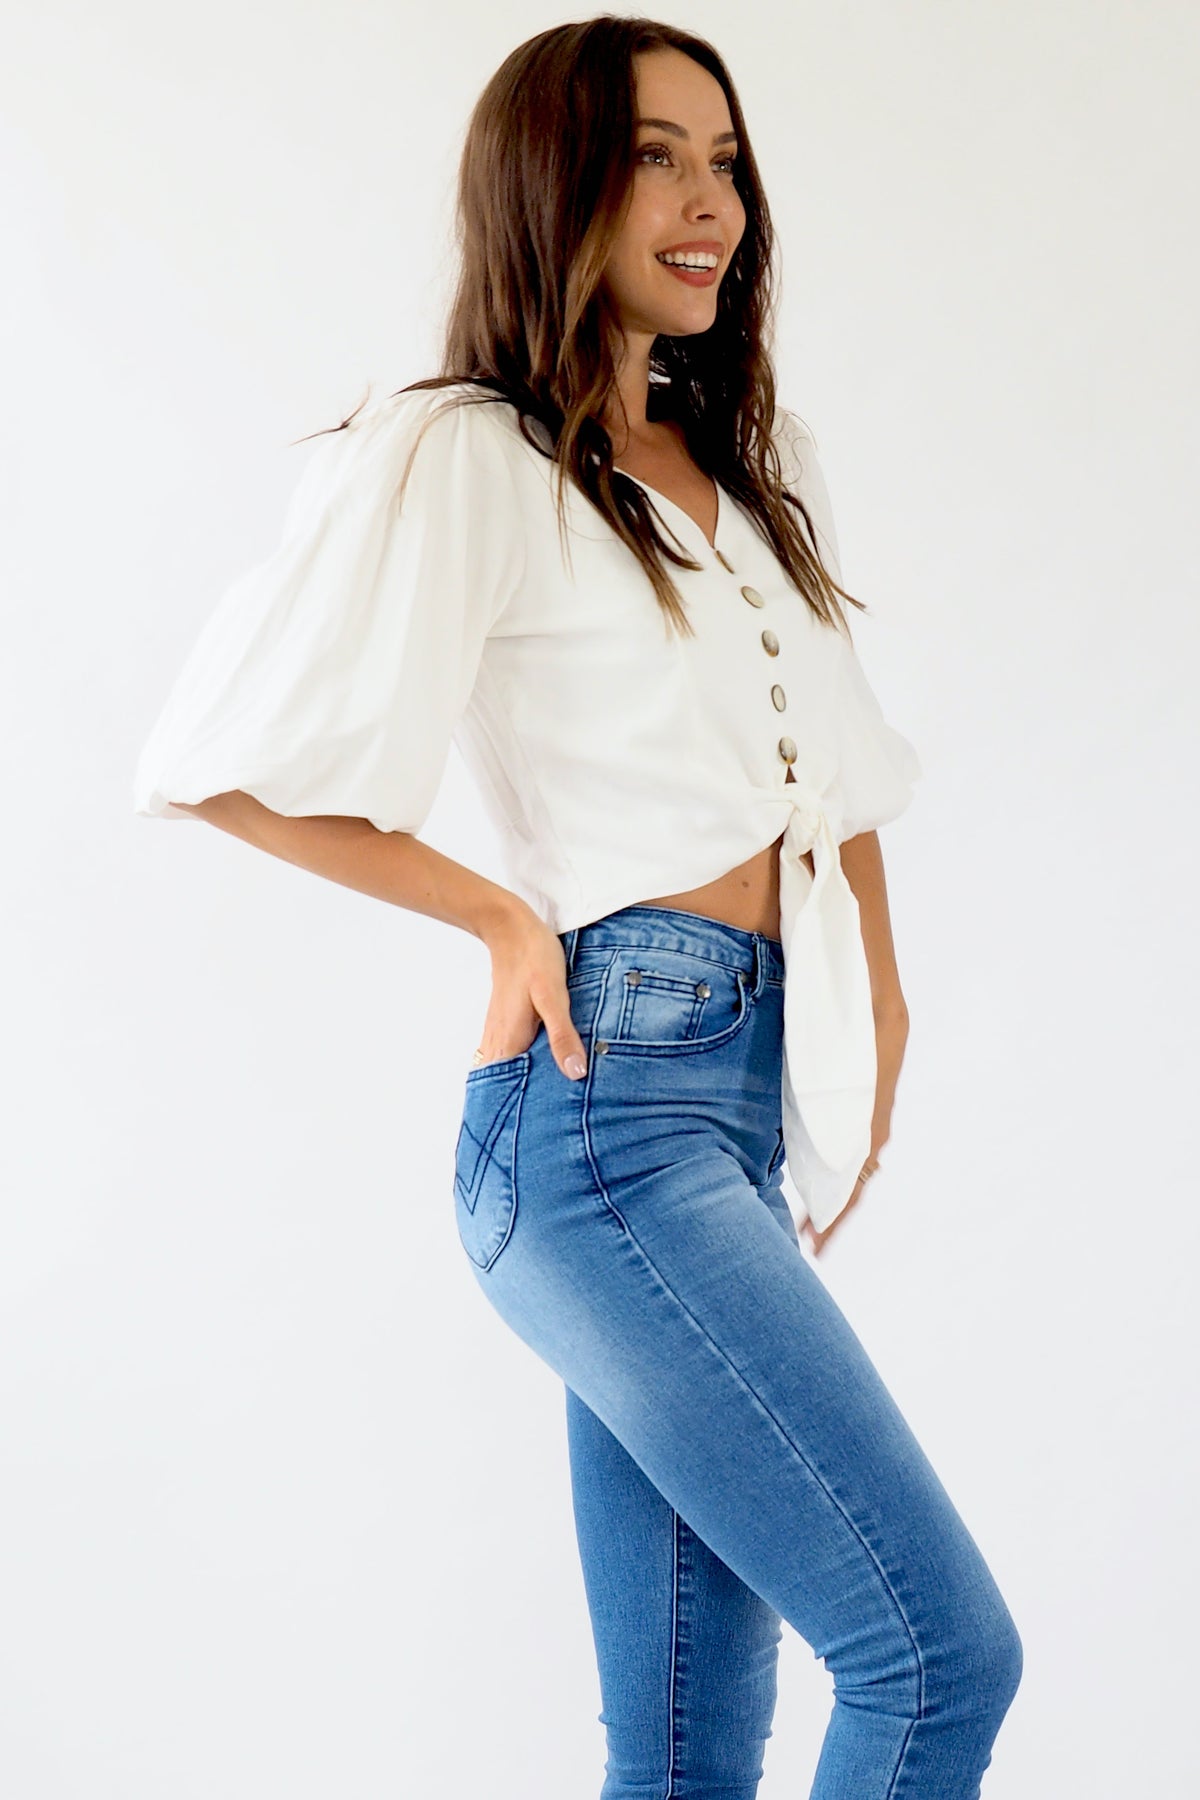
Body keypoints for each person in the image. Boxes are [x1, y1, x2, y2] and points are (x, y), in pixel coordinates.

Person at [132, 17, 1023, 1798]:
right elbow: (220, 760)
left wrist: (880, 1011)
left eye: (726, 160)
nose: (711, 205)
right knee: (935, 1662)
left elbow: (841, 786)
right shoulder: (467, 450)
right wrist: (499, 920)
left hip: (734, 1118)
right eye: (654, 159)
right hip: (605, 1115)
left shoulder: (750, 465)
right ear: (555, 187)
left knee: (687, 1752)